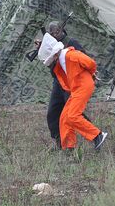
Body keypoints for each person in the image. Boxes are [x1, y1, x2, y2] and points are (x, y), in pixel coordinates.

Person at [37, 32, 107, 150]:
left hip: (83, 86)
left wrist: (91, 74)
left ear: (54, 54)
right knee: (64, 117)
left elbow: (91, 63)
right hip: (76, 88)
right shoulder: (61, 60)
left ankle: (97, 135)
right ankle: (69, 146)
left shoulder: (71, 55)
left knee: (73, 115)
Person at [36, 21, 87, 150]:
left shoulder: (71, 42)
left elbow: (83, 58)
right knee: (53, 112)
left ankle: (95, 135)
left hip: (71, 82)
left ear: (61, 30)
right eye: (51, 33)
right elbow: (48, 61)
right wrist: (42, 47)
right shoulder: (51, 44)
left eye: (56, 31)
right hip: (58, 82)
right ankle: (59, 142)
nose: (54, 34)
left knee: (74, 113)